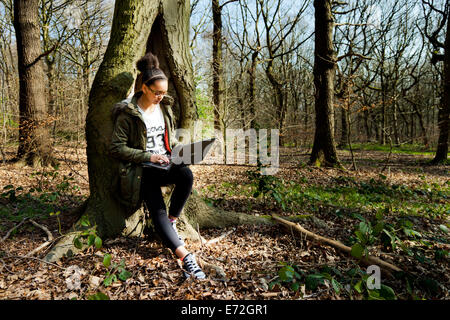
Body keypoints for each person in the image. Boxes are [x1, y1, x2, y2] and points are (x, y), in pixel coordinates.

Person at [109, 52, 206, 280]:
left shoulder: (164, 109)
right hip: (141, 171)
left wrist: (180, 151)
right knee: (157, 208)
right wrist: (148, 157)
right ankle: (186, 257)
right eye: (157, 92)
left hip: (164, 163)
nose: (161, 97)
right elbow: (116, 148)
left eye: (164, 92)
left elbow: (167, 140)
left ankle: (171, 223)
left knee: (186, 175)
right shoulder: (128, 114)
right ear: (144, 87)